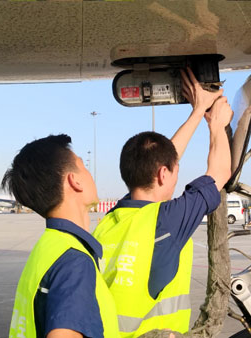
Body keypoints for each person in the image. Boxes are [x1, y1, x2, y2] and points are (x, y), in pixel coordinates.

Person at [93, 68, 233, 337]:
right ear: (163, 174)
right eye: (174, 170)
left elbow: (164, 159)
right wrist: (216, 124)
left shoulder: (112, 221)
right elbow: (220, 174)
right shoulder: (166, 220)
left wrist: (197, 111)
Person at [3, 134, 119, 338]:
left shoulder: (49, 247)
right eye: (83, 166)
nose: (89, 173)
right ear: (75, 181)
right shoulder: (75, 262)